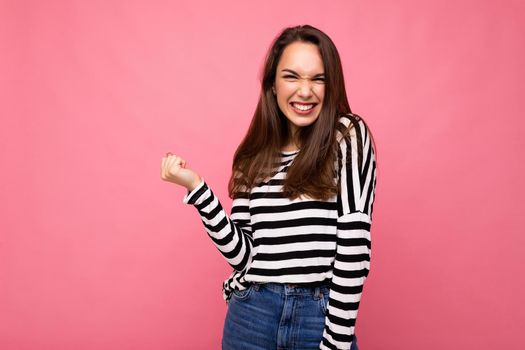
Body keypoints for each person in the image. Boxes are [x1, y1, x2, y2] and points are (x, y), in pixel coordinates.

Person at [161, 24, 377, 350]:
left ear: (331, 87)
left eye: (318, 79)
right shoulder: (254, 156)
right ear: (273, 85)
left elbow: (354, 248)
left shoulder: (347, 134)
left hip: (318, 316)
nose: (305, 91)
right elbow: (245, 256)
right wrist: (198, 189)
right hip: (252, 314)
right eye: (291, 76)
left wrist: (336, 342)